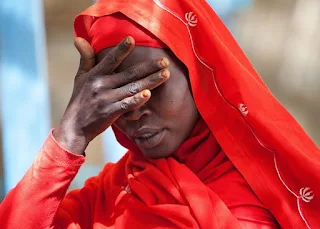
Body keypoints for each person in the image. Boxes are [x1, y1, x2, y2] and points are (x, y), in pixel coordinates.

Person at [0, 0, 319, 228]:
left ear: (198, 76)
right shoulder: (109, 192)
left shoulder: (269, 191)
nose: (135, 112)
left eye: (152, 86)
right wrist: (71, 136)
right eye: (117, 96)